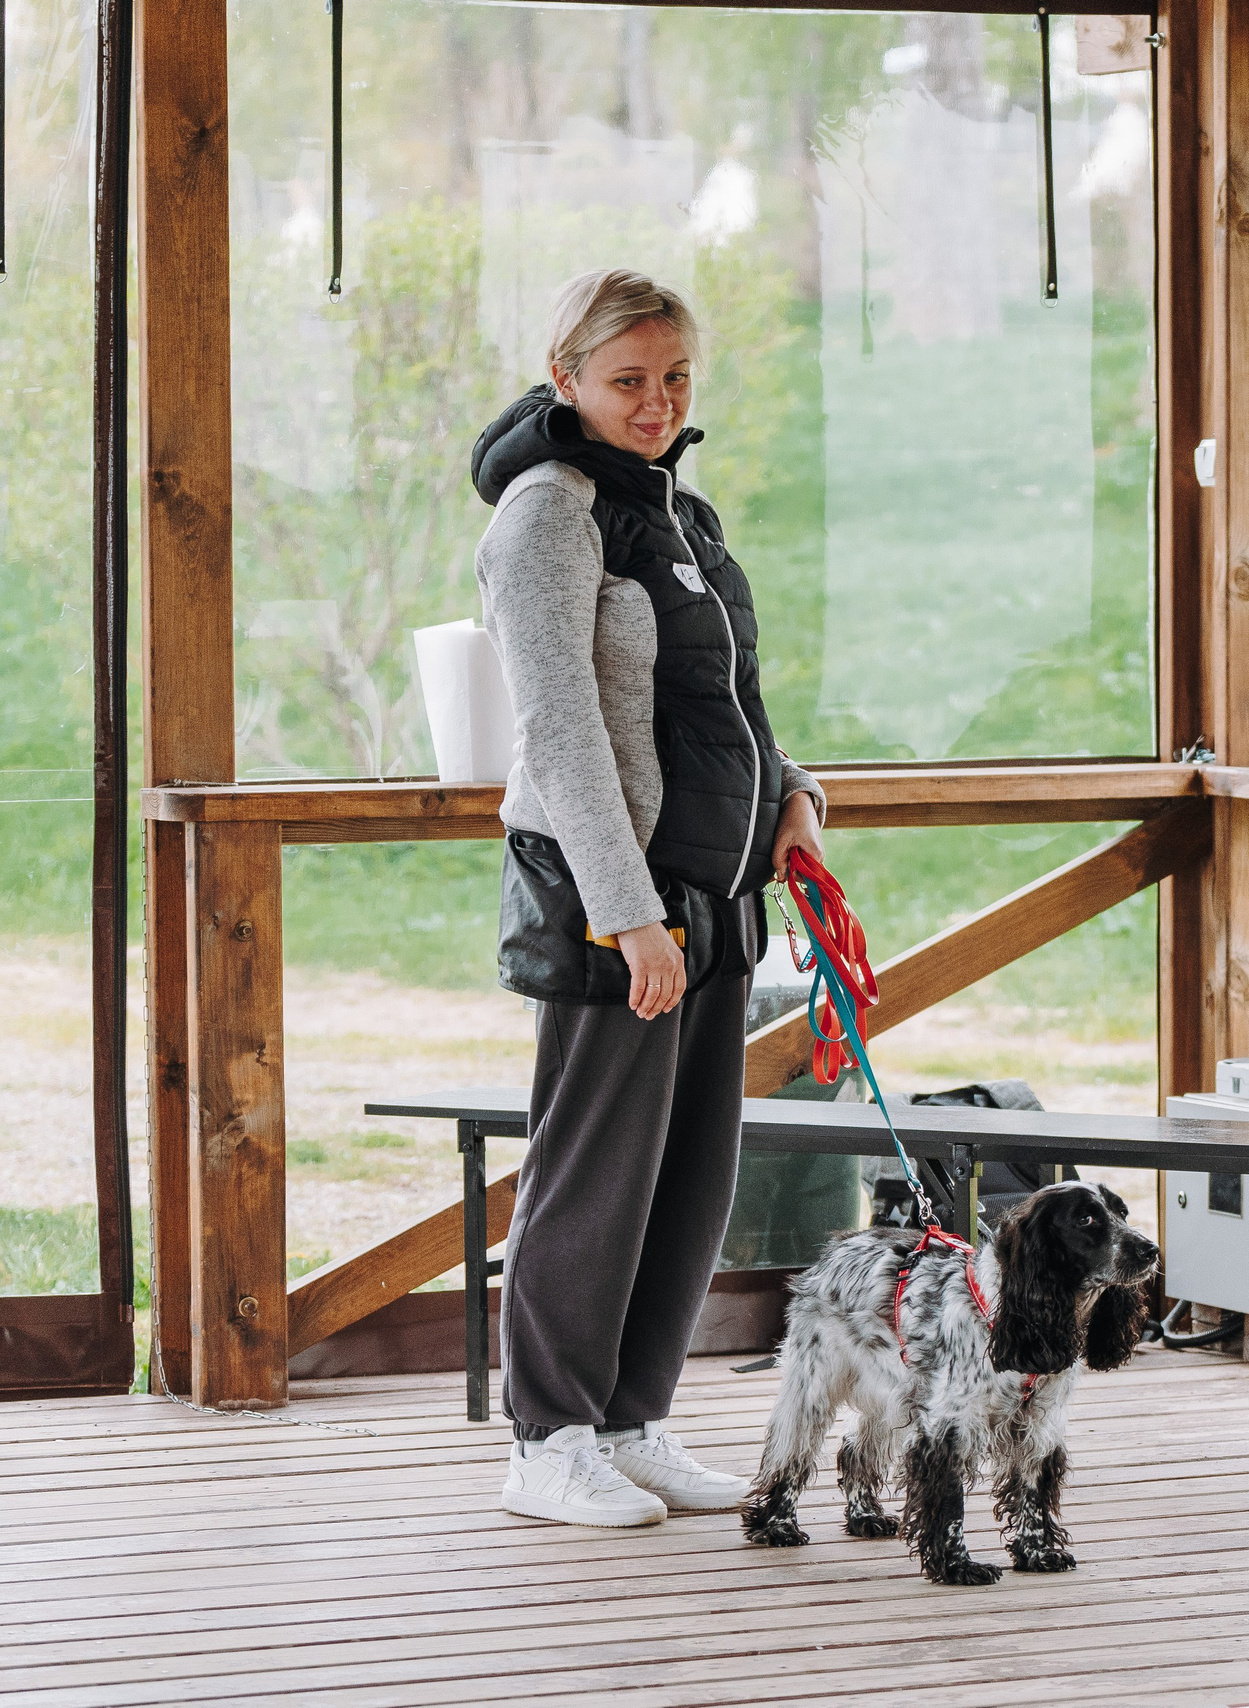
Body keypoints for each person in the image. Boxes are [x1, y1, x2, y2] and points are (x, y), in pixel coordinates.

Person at [471, 269, 828, 1527]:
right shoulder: (547, 514)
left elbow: (724, 695)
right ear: (564, 377)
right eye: (628, 381)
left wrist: (795, 795)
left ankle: (627, 1424)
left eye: (675, 378)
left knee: (687, 1173)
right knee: (595, 1173)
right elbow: (561, 729)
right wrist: (628, 917)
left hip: (713, 886)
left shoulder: (677, 507)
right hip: (614, 898)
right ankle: (548, 1439)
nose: (657, 402)